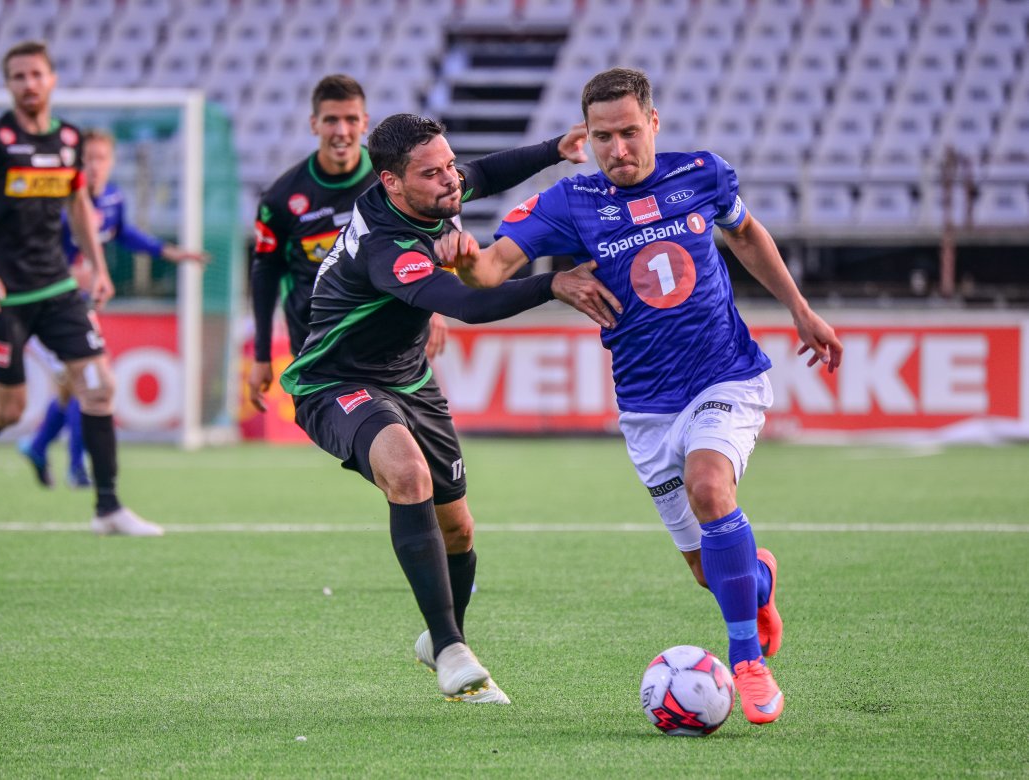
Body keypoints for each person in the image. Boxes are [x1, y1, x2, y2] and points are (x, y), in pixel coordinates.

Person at [435, 67, 844, 725]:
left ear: (653, 122)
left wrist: (799, 308)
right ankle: (758, 580)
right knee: (709, 570)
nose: (618, 150)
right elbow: (490, 270)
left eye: (629, 132)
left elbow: (745, 233)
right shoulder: (572, 202)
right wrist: (461, 257)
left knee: (710, 488)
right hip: (647, 408)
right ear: (587, 136)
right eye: (603, 137)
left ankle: (747, 662)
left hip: (724, 374)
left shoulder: (702, 173)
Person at [280, 113, 622, 704]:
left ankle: (443, 638)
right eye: (432, 173)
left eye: (449, 166)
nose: (450, 181)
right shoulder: (386, 246)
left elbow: (484, 172)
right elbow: (468, 305)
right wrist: (551, 284)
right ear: (391, 182)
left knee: (458, 528)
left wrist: (555, 148)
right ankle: (450, 648)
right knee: (407, 473)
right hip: (335, 381)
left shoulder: (435, 190)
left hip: (410, 379)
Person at [0, 40, 163, 536]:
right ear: (8, 85)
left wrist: (98, 268)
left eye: (36, 74)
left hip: (56, 287)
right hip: (2, 295)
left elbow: (79, 204)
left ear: (52, 80)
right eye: (18, 76)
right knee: (10, 408)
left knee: (100, 387)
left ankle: (108, 508)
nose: (29, 84)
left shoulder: (68, 140)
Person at [18, 127, 209, 489]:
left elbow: (123, 233)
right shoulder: (60, 204)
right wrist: (67, 272)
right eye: (87, 158)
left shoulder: (111, 199)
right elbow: (34, 249)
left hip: (76, 307)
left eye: (101, 158)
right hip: (46, 308)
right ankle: (76, 466)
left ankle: (38, 446)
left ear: (111, 162)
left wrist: (170, 252)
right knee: (87, 380)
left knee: (76, 385)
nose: (94, 166)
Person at [246, 74, 448, 414]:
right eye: (331, 120)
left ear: (364, 123)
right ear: (314, 124)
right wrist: (262, 355)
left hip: (392, 335)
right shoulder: (281, 198)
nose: (341, 131)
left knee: (412, 436)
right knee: (372, 436)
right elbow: (265, 271)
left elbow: (427, 234)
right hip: (323, 348)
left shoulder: (392, 180)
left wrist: (435, 304)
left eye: (351, 119)